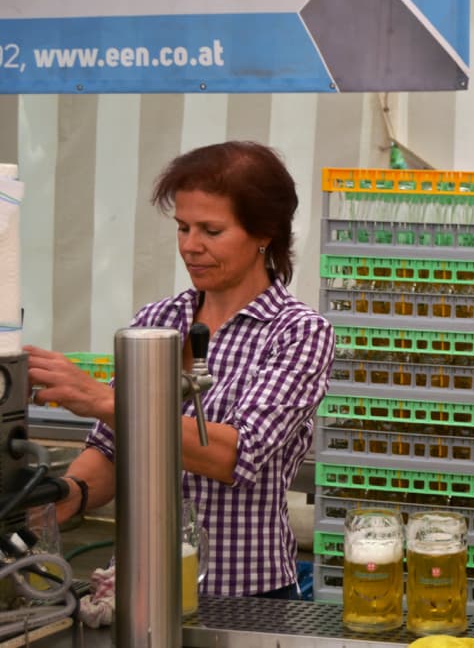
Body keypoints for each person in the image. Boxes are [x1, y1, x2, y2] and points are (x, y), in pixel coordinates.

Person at [26, 141, 336, 600]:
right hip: (142, 586)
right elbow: (111, 449)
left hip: (244, 595)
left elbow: (234, 455)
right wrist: (68, 493)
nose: (191, 246)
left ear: (265, 233)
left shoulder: (298, 332)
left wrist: (104, 400)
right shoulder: (159, 320)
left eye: (212, 230)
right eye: (183, 227)